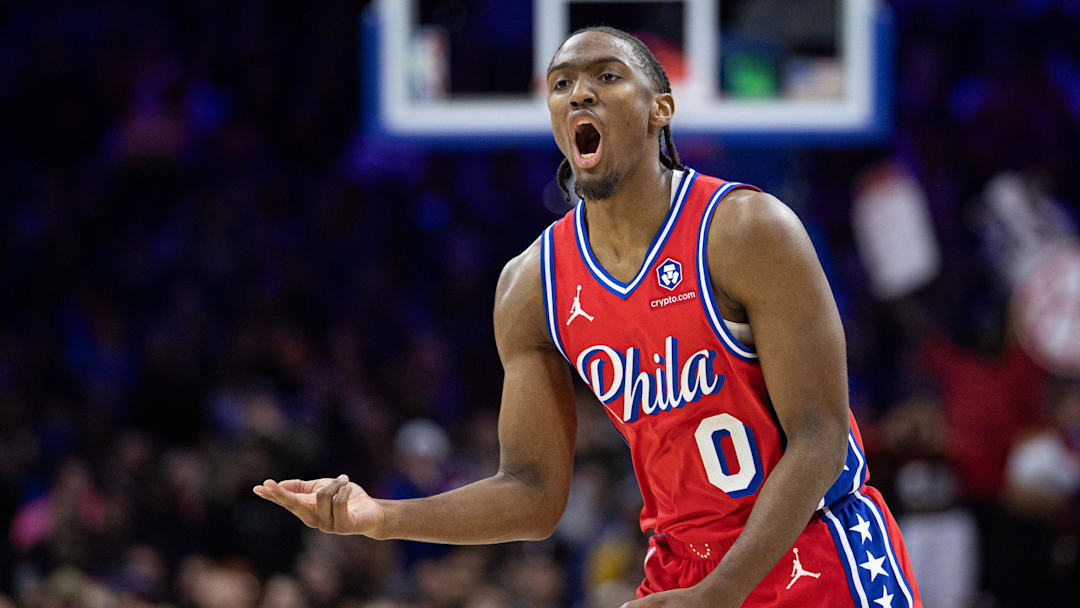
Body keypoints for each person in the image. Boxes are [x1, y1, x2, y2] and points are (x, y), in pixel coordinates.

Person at [254, 26, 922, 607]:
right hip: (688, 573)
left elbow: (820, 438)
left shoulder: (746, 229)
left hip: (819, 556)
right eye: (562, 83)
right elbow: (532, 492)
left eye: (607, 76)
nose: (580, 93)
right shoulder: (531, 285)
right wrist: (381, 517)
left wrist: (722, 594)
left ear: (661, 108)